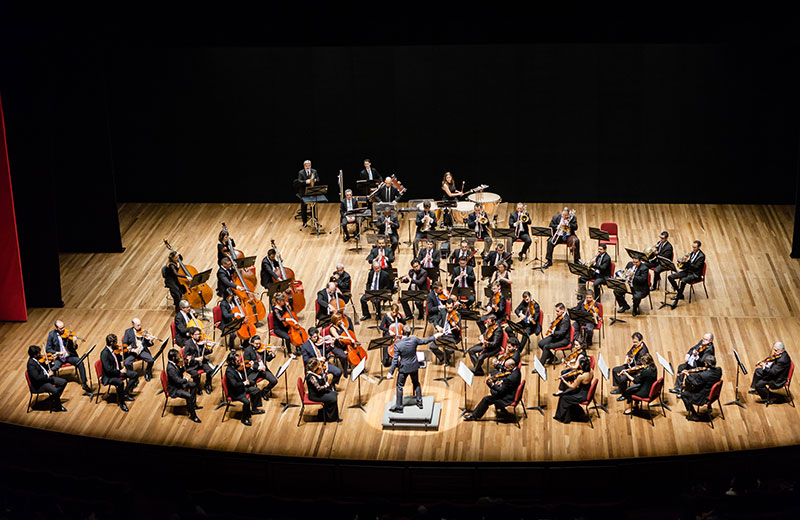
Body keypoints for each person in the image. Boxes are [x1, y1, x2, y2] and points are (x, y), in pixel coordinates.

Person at [387, 331, 442, 412]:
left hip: (404, 369)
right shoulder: (414, 340)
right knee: (416, 383)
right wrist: (435, 336)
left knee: (399, 387)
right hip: (414, 366)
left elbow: (395, 360)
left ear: (402, 333)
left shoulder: (398, 345)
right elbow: (425, 341)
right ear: (409, 333)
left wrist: (390, 372)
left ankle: (399, 407)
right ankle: (420, 402)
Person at [45, 320, 91, 394]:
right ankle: (54, 387)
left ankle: (84, 383)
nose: (63, 330)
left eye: (63, 327)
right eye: (60, 328)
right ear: (56, 328)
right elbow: (48, 349)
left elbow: (74, 348)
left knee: (80, 362)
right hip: (58, 358)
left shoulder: (68, 334)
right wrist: (57, 353)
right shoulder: (51, 335)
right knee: (52, 369)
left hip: (69, 356)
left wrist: (74, 343)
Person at [100, 334, 139, 412]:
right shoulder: (104, 354)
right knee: (120, 383)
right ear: (111, 343)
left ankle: (125, 393)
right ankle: (121, 402)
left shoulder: (114, 350)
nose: (117, 343)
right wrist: (120, 371)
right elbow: (108, 370)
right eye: (115, 342)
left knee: (135, 375)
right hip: (109, 376)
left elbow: (120, 359)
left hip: (117, 372)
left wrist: (128, 351)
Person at [225, 351, 264, 426]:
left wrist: (251, 368)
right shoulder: (229, 372)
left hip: (241, 388)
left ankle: (254, 409)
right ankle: (244, 418)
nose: (239, 362)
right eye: (237, 361)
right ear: (232, 361)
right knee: (246, 402)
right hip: (235, 392)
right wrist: (244, 383)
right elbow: (234, 385)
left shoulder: (236, 367)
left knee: (257, 391)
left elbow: (243, 375)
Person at [26, 345, 68, 412]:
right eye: (39, 353)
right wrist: (48, 375)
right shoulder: (31, 365)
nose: (41, 354)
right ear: (34, 355)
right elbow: (37, 378)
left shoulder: (38, 359)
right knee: (55, 390)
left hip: (46, 378)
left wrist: (53, 362)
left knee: (63, 382)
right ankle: (57, 406)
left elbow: (45, 367)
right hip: (39, 384)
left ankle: (54, 399)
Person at [553, 356, 593, 424]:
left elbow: (572, 387)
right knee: (565, 393)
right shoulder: (591, 370)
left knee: (563, 397)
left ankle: (564, 418)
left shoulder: (581, 377)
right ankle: (576, 412)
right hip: (586, 390)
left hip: (581, 394)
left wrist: (563, 380)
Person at [680, 356, 722, 421]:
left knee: (683, 395)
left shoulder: (704, 375)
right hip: (713, 393)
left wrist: (688, 375)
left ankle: (694, 415)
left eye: (705, 362)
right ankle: (709, 407)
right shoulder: (719, 370)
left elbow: (695, 383)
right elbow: (708, 376)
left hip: (702, 397)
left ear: (707, 364)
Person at [165, 348, 201, 423]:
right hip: (174, 389)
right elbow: (178, 381)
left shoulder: (175, 363)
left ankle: (193, 405)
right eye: (178, 356)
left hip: (178, 385)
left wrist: (183, 365)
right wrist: (186, 379)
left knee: (193, 385)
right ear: (173, 358)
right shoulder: (170, 368)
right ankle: (193, 415)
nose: (180, 357)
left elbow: (180, 372)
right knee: (189, 396)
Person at [667, 240, 706, 309]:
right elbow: (688, 265)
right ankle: (680, 293)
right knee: (670, 277)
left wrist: (687, 262)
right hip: (688, 271)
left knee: (683, 281)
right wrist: (683, 262)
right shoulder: (691, 253)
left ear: (699, 247)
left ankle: (676, 301)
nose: (693, 249)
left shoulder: (701, 256)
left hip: (695, 274)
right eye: (692, 247)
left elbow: (695, 267)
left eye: (695, 247)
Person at [611, 332, 650, 399]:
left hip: (636, 370)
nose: (634, 344)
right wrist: (627, 358)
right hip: (630, 365)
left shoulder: (643, 352)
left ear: (641, 340)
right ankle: (620, 389)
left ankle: (624, 395)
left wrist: (626, 370)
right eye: (633, 342)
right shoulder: (636, 345)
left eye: (636, 342)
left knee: (623, 378)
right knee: (615, 370)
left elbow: (638, 366)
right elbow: (630, 352)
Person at [242, 335, 279, 399]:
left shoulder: (262, 347)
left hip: (263, 370)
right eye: (256, 344)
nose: (258, 345)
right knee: (250, 383)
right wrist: (258, 367)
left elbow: (267, 358)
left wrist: (272, 354)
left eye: (259, 343)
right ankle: (254, 397)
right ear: (252, 343)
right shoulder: (247, 350)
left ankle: (264, 392)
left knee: (274, 381)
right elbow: (247, 364)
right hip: (253, 372)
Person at [305, 358, 341, 422]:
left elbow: (320, 378)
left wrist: (324, 373)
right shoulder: (311, 377)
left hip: (318, 393)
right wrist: (326, 385)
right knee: (333, 398)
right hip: (315, 395)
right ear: (314, 368)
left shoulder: (314, 373)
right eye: (318, 366)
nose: (319, 367)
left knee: (334, 393)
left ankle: (328, 414)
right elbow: (318, 388)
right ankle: (331, 418)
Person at [183, 326, 215, 394]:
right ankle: (198, 388)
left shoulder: (200, 342)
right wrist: (196, 359)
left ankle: (207, 385)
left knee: (210, 371)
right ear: (192, 335)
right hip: (192, 365)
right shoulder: (188, 344)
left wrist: (210, 349)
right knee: (195, 375)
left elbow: (204, 352)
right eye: (197, 334)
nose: (199, 336)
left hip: (201, 363)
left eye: (199, 334)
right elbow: (185, 356)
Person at [432, 299, 461, 365]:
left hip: (451, 335)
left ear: (453, 306)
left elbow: (459, 329)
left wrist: (455, 326)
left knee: (449, 349)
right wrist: (437, 326)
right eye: (448, 308)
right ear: (445, 306)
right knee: (432, 347)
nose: (449, 309)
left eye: (451, 307)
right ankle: (443, 358)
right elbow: (435, 321)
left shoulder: (457, 314)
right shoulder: (442, 311)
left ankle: (446, 358)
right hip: (442, 334)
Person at [297, 159, 318, 226]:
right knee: (304, 207)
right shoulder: (301, 172)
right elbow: (299, 181)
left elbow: (318, 179)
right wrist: (306, 181)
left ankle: (314, 219)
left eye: (309, 165)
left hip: (312, 191)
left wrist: (315, 180)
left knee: (314, 206)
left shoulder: (314, 171)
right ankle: (304, 222)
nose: (308, 166)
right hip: (304, 192)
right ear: (304, 166)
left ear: (310, 165)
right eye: (306, 165)